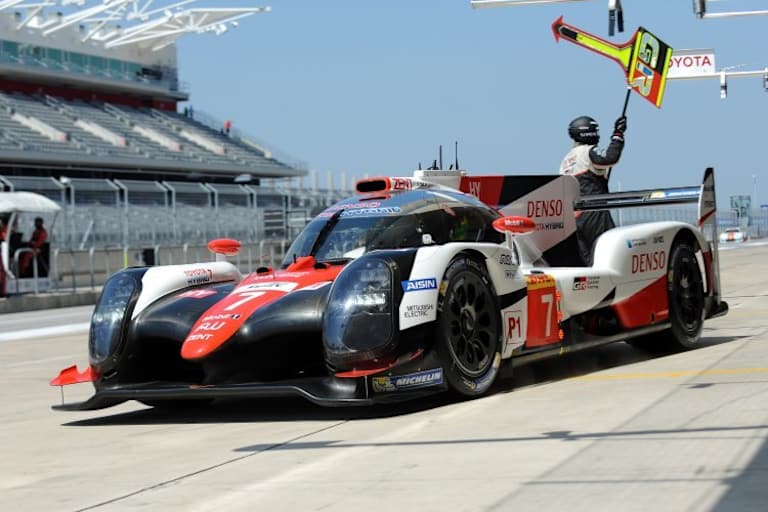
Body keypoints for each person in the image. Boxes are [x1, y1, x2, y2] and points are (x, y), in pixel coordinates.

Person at [560, 114, 627, 265]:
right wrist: (618, 135)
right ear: (589, 132)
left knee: (588, 262)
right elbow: (610, 158)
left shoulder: (566, 159)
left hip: (573, 217)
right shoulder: (588, 151)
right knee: (609, 253)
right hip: (594, 211)